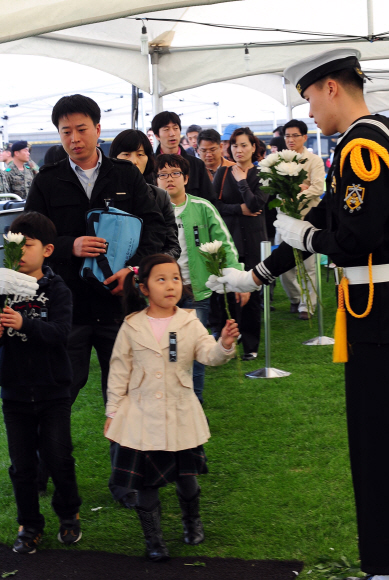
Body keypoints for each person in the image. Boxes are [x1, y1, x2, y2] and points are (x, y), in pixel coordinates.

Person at [207, 47, 389, 580]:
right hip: (374, 316)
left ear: (331, 88)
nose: (308, 112)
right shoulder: (365, 139)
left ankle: (382, 564)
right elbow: (322, 219)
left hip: (378, 317)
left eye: (309, 97)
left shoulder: (362, 147)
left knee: (375, 443)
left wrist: (308, 234)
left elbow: (355, 237)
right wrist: (254, 276)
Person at [25, 94, 167, 510]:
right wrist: (69, 245)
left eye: (81, 129)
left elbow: (155, 227)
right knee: (57, 393)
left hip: (118, 305)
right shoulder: (47, 180)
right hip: (64, 307)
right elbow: (27, 238)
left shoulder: (125, 175)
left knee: (121, 394)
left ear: (98, 129)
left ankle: (125, 481)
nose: (74, 138)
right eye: (65, 131)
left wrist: (136, 269)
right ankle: (42, 470)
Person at [104, 253, 239, 562]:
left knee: (187, 479)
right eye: (161, 279)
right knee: (146, 484)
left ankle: (192, 521)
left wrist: (225, 344)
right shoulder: (131, 326)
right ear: (144, 287)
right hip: (140, 417)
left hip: (180, 415)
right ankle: (154, 541)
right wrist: (112, 413)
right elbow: (118, 372)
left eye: (175, 278)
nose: (170, 285)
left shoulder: (190, 321)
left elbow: (209, 355)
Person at [0, 212, 82, 554]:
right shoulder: (2, 288)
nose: (19, 253)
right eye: (12, 246)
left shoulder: (58, 289)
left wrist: (23, 323)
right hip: (15, 391)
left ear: (47, 250)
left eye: (27, 245)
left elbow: (60, 334)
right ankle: (29, 525)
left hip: (53, 390)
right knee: (22, 466)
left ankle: (69, 513)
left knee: (58, 456)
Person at [156, 153, 244, 403]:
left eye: (174, 174)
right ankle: (169, 404)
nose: (169, 179)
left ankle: (195, 404)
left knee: (195, 351)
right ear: (156, 180)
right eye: (163, 174)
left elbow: (225, 244)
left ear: (186, 178)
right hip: (161, 296)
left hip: (196, 292)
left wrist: (237, 278)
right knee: (165, 351)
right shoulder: (152, 210)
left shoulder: (203, 207)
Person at [213, 127, 268, 361]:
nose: (239, 150)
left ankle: (251, 345)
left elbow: (257, 205)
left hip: (255, 240)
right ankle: (230, 340)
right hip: (230, 239)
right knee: (230, 290)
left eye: (244, 145)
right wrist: (238, 209)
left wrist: (243, 182)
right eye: (235, 145)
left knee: (252, 292)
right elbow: (214, 205)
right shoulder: (222, 173)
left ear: (253, 147)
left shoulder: (264, 173)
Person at [279, 119, 325, 320]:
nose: (290, 139)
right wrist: (299, 189)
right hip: (285, 217)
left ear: (304, 137)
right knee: (282, 265)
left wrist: (296, 193)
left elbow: (318, 188)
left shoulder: (314, 160)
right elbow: (276, 189)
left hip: (308, 217)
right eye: (287, 135)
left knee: (308, 265)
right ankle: (296, 298)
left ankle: (308, 306)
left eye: (294, 135)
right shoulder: (279, 160)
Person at [109, 129, 180, 259]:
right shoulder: (105, 193)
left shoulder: (160, 196)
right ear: (114, 158)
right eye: (126, 154)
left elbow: (173, 246)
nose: (134, 161)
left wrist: (150, 265)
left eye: (140, 154)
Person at [151, 111, 216, 204]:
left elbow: (209, 199)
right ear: (157, 136)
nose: (172, 133)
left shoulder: (196, 164)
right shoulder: (150, 164)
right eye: (166, 129)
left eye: (175, 128)